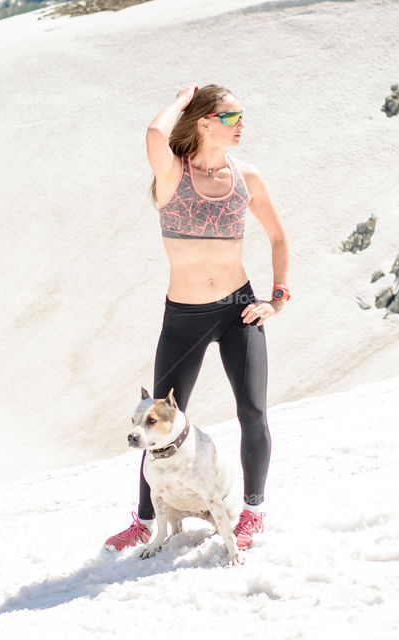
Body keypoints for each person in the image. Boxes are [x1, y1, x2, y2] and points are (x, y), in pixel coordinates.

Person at [105, 84, 290, 552]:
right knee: (155, 421)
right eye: (231, 117)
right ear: (205, 122)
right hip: (184, 316)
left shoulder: (247, 175)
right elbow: (154, 133)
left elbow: (279, 238)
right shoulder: (171, 174)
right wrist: (182, 102)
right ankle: (144, 521)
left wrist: (277, 297)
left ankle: (251, 513)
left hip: (236, 310)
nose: (242, 124)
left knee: (252, 410)